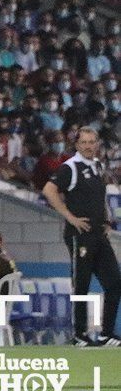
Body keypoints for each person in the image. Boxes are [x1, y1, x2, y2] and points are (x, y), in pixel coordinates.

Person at [42, 127, 121, 347]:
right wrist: (70, 217)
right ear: (77, 145)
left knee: (115, 282)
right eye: (84, 142)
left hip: (98, 234)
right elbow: (49, 190)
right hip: (80, 234)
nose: (88, 146)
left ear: (97, 144)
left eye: (92, 142)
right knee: (82, 285)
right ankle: (80, 335)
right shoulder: (70, 167)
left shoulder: (97, 166)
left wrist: (105, 220)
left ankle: (106, 333)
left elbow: (100, 196)